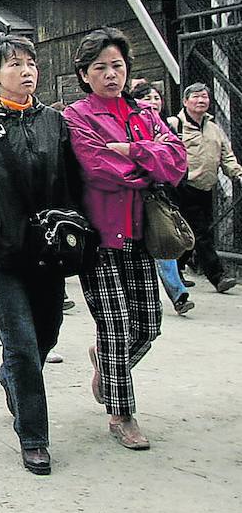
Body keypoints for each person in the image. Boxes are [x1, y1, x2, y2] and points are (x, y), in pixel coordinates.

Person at [0, 35, 82, 476]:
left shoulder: (54, 122)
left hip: (50, 256)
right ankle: (34, 438)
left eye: (31, 63)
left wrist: (73, 232)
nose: (27, 71)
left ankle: (11, 378)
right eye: (15, 65)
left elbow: (70, 182)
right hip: (4, 258)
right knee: (24, 346)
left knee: (46, 334)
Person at [64, 28, 186, 451]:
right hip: (99, 235)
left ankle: (106, 365)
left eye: (117, 66)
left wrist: (132, 150)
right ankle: (121, 414)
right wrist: (147, 159)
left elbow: (177, 162)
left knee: (149, 325)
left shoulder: (144, 114)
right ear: (84, 74)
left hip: (141, 233)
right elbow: (97, 166)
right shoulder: (76, 116)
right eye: (100, 68)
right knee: (115, 324)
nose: (110, 74)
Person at [166, 83, 241, 295]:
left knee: (191, 233)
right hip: (182, 187)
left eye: (205, 97)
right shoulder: (174, 124)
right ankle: (219, 277)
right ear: (185, 101)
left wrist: (237, 173)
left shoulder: (214, 129)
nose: (201, 101)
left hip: (206, 188)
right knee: (201, 233)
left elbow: (226, 156)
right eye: (196, 97)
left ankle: (177, 268)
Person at [128, 83, 195, 314]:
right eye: (147, 98)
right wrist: (152, 149)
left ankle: (178, 294)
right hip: (130, 201)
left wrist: (142, 151)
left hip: (161, 195)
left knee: (165, 242)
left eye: (156, 97)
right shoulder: (132, 121)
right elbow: (125, 160)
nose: (153, 102)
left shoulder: (166, 126)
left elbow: (176, 160)